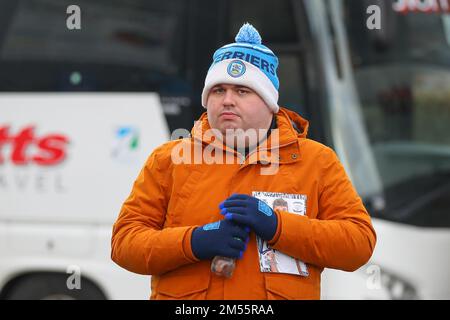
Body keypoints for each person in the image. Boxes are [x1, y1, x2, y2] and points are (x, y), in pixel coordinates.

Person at [111, 23, 376, 300]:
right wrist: (194, 241)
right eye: (218, 90)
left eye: (242, 91)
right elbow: (124, 244)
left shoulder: (317, 161)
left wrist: (277, 226)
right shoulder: (168, 160)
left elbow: (358, 244)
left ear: (269, 102)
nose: (227, 100)